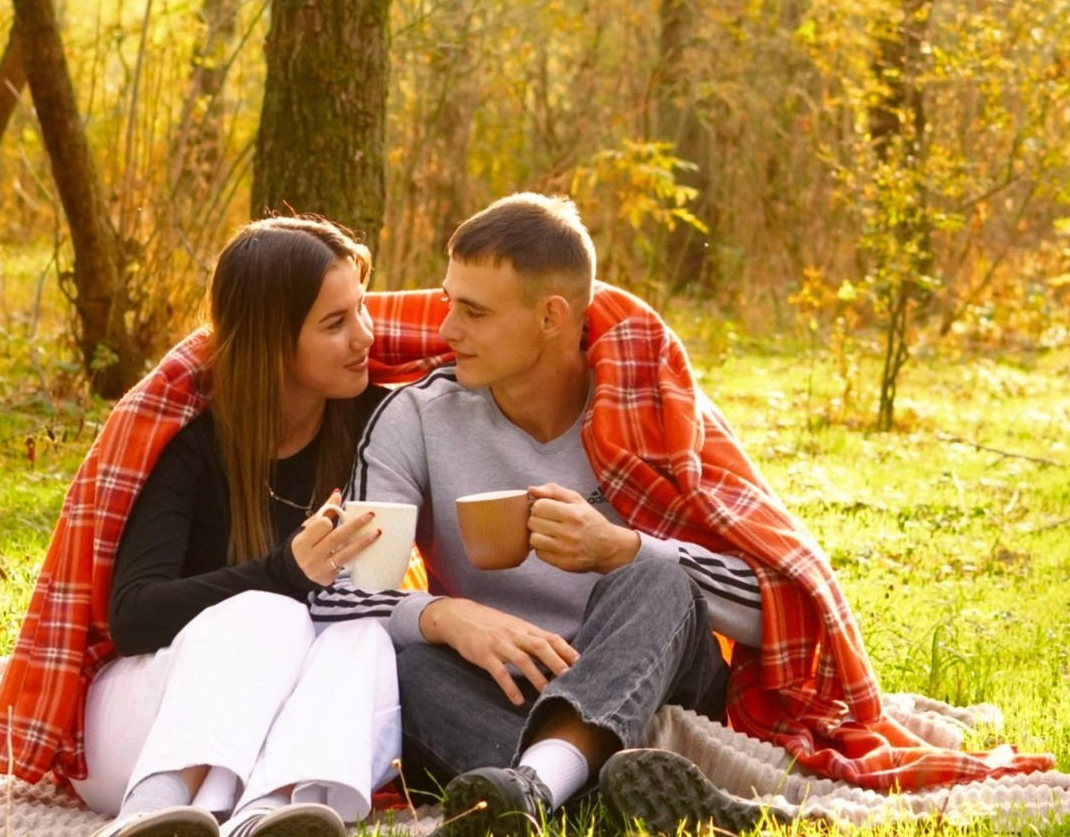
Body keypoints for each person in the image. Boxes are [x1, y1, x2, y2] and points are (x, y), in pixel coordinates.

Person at [313, 194, 766, 835]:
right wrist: (444, 615)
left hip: (653, 669)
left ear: (552, 316)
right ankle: (597, 794)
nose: (447, 331)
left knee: (658, 576)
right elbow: (355, 590)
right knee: (410, 667)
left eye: (473, 312)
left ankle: (538, 783)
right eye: (448, 304)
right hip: (503, 684)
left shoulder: (650, 410)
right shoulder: (416, 418)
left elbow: (765, 600)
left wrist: (620, 550)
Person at [0, 217, 403, 837]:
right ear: (271, 343)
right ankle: (154, 812)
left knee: (362, 635)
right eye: (335, 324)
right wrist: (282, 573)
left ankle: (277, 814)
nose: (364, 336)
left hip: (280, 735)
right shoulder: (191, 445)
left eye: (361, 309)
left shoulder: (370, 425)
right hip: (150, 722)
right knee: (271, 611)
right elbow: (133, 617)